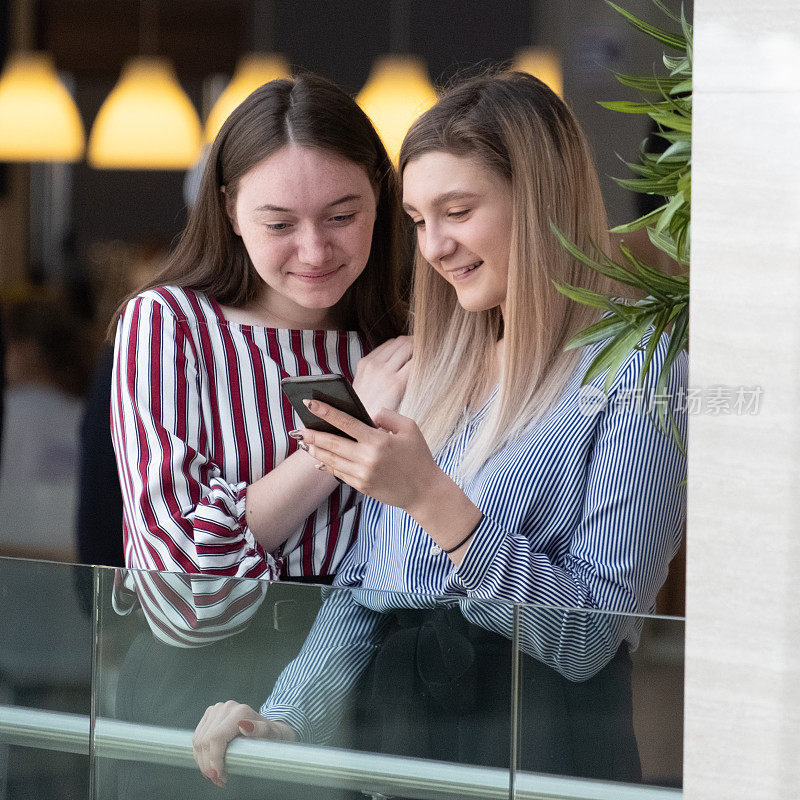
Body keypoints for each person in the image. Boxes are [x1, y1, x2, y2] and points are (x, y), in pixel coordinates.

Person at [192, 71, 687, 790]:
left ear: (543, 199)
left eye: (457, 210)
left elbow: (587, 640)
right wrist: (285, 717)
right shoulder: (435, 365)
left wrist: (433, 500)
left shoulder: (639, 368)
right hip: (393, 759)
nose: (435, 247)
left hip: (535, 761)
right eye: (420, 221)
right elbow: (365, 592)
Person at [107, 73, 410, 799]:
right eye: (279, 223)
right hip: (195, 698)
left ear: (381, 196)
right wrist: (350, 423)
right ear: (229, 211)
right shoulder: (169, 325)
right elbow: (186, 592)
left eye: (343, 214)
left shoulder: (406, 338)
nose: (314, 249)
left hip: (362, 693)